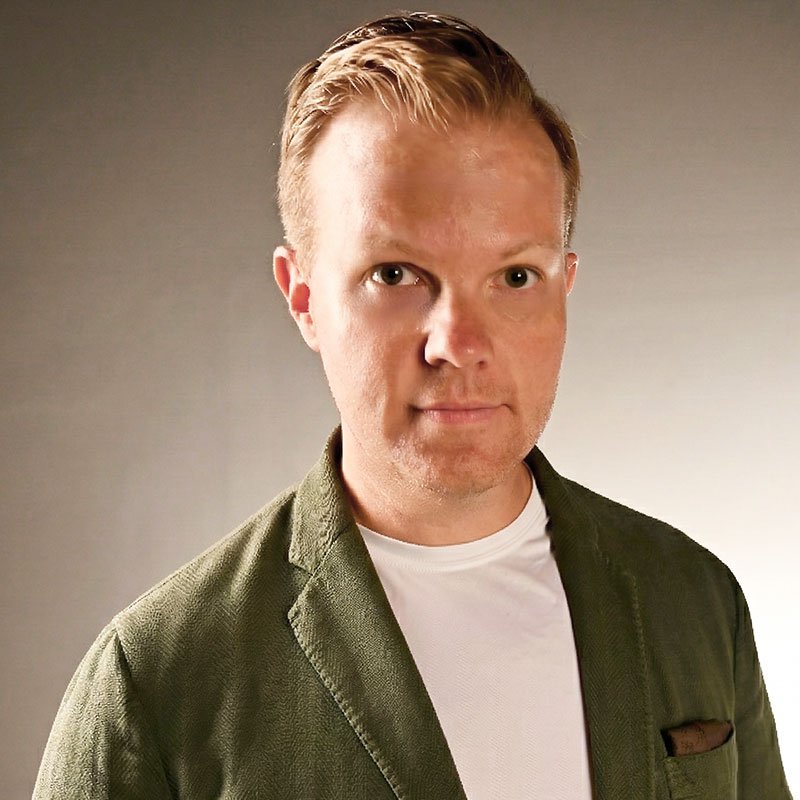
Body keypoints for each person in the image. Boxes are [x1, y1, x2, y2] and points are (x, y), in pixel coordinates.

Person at [34, 11, 791, 800]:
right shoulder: (154, 681)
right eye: (395, 274)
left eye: (515, 277)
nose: (458, 343)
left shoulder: (697, 600)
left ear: (565, 288)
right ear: (303, 297)